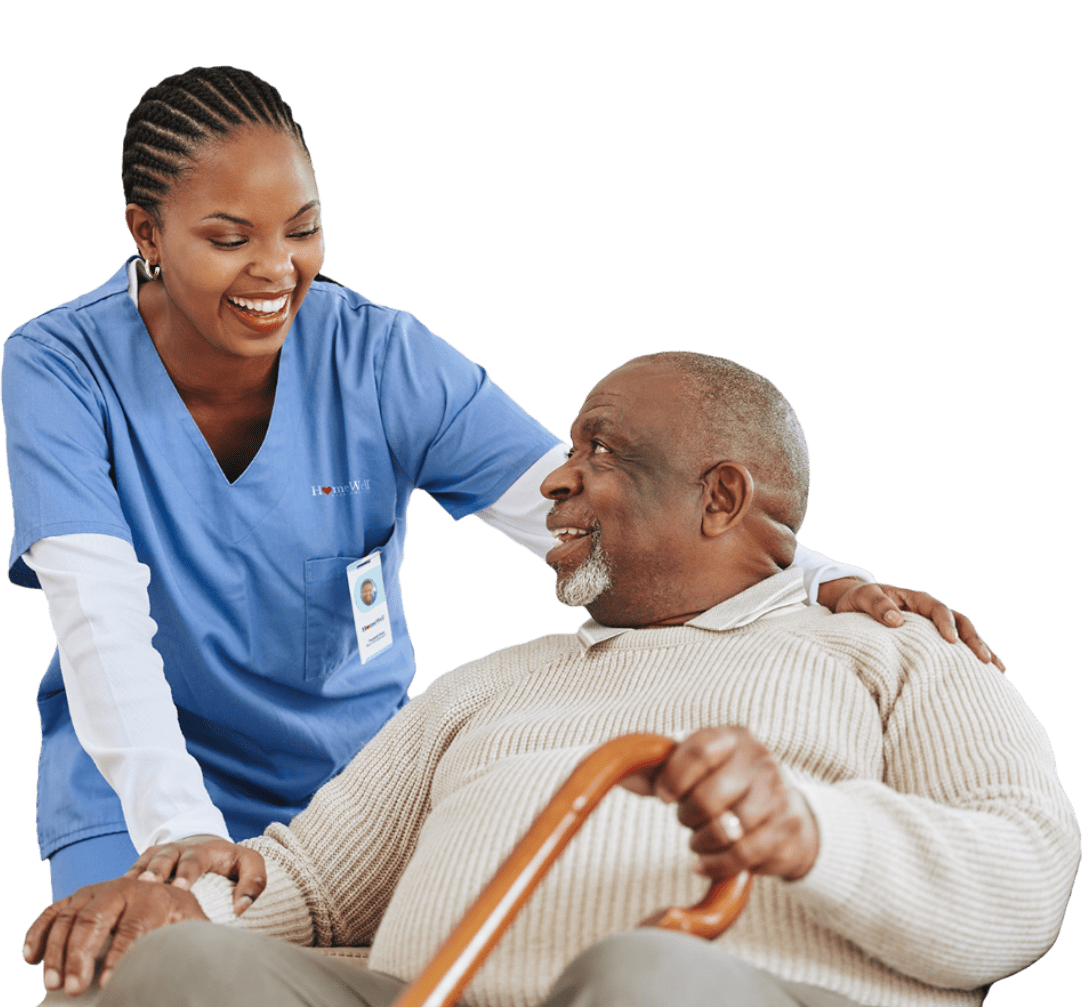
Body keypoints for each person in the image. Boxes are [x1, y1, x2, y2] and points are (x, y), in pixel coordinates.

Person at [2, 65, 998, 906]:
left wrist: (824, 577)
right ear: (146, 230)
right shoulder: (57, 367)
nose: (278, 268)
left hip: (352, 796)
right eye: (229, 237)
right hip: (135, 788)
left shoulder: (380, 359)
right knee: (136, 975)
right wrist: (181, 833)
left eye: (302, 228)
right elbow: (99, 620)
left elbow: (589, 512)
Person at [24, 352, 1075, 1007]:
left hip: (716, 991)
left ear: (720, 498)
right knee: (163, 972)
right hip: (427, 994)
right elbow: (305, 881)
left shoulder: (894, 649)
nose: (556, 476)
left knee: (646, 977)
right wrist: (175, 908)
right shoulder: (483, 685)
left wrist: (811, 830)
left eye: (601, 451)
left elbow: (1025, 876)